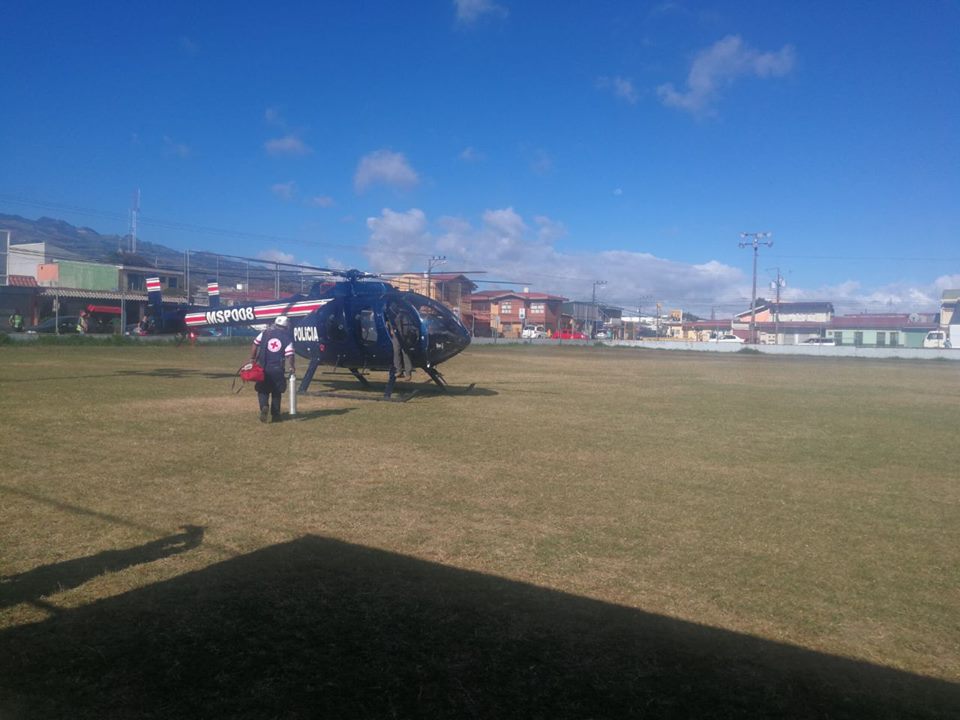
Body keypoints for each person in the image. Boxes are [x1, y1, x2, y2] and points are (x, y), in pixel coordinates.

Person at [250, 315, 295, 422]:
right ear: (286, 326)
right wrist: (292, 366)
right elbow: (290, 355)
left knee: (262, 390)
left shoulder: (265, 333)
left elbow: (255, 344)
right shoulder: (287, 338)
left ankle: (264, 406)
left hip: (263, 367)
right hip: (277, 368)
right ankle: (275, 415)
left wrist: (252, 358)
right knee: (276, 392)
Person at [383, 313, 412, 399]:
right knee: (396, 351)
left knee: (405, 352)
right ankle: (398, 370)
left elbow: (406, 325)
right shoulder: (391, 313)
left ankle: (408, 373)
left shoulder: (402, 314)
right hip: (396, 334)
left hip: (403, 334)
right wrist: (390, 327)